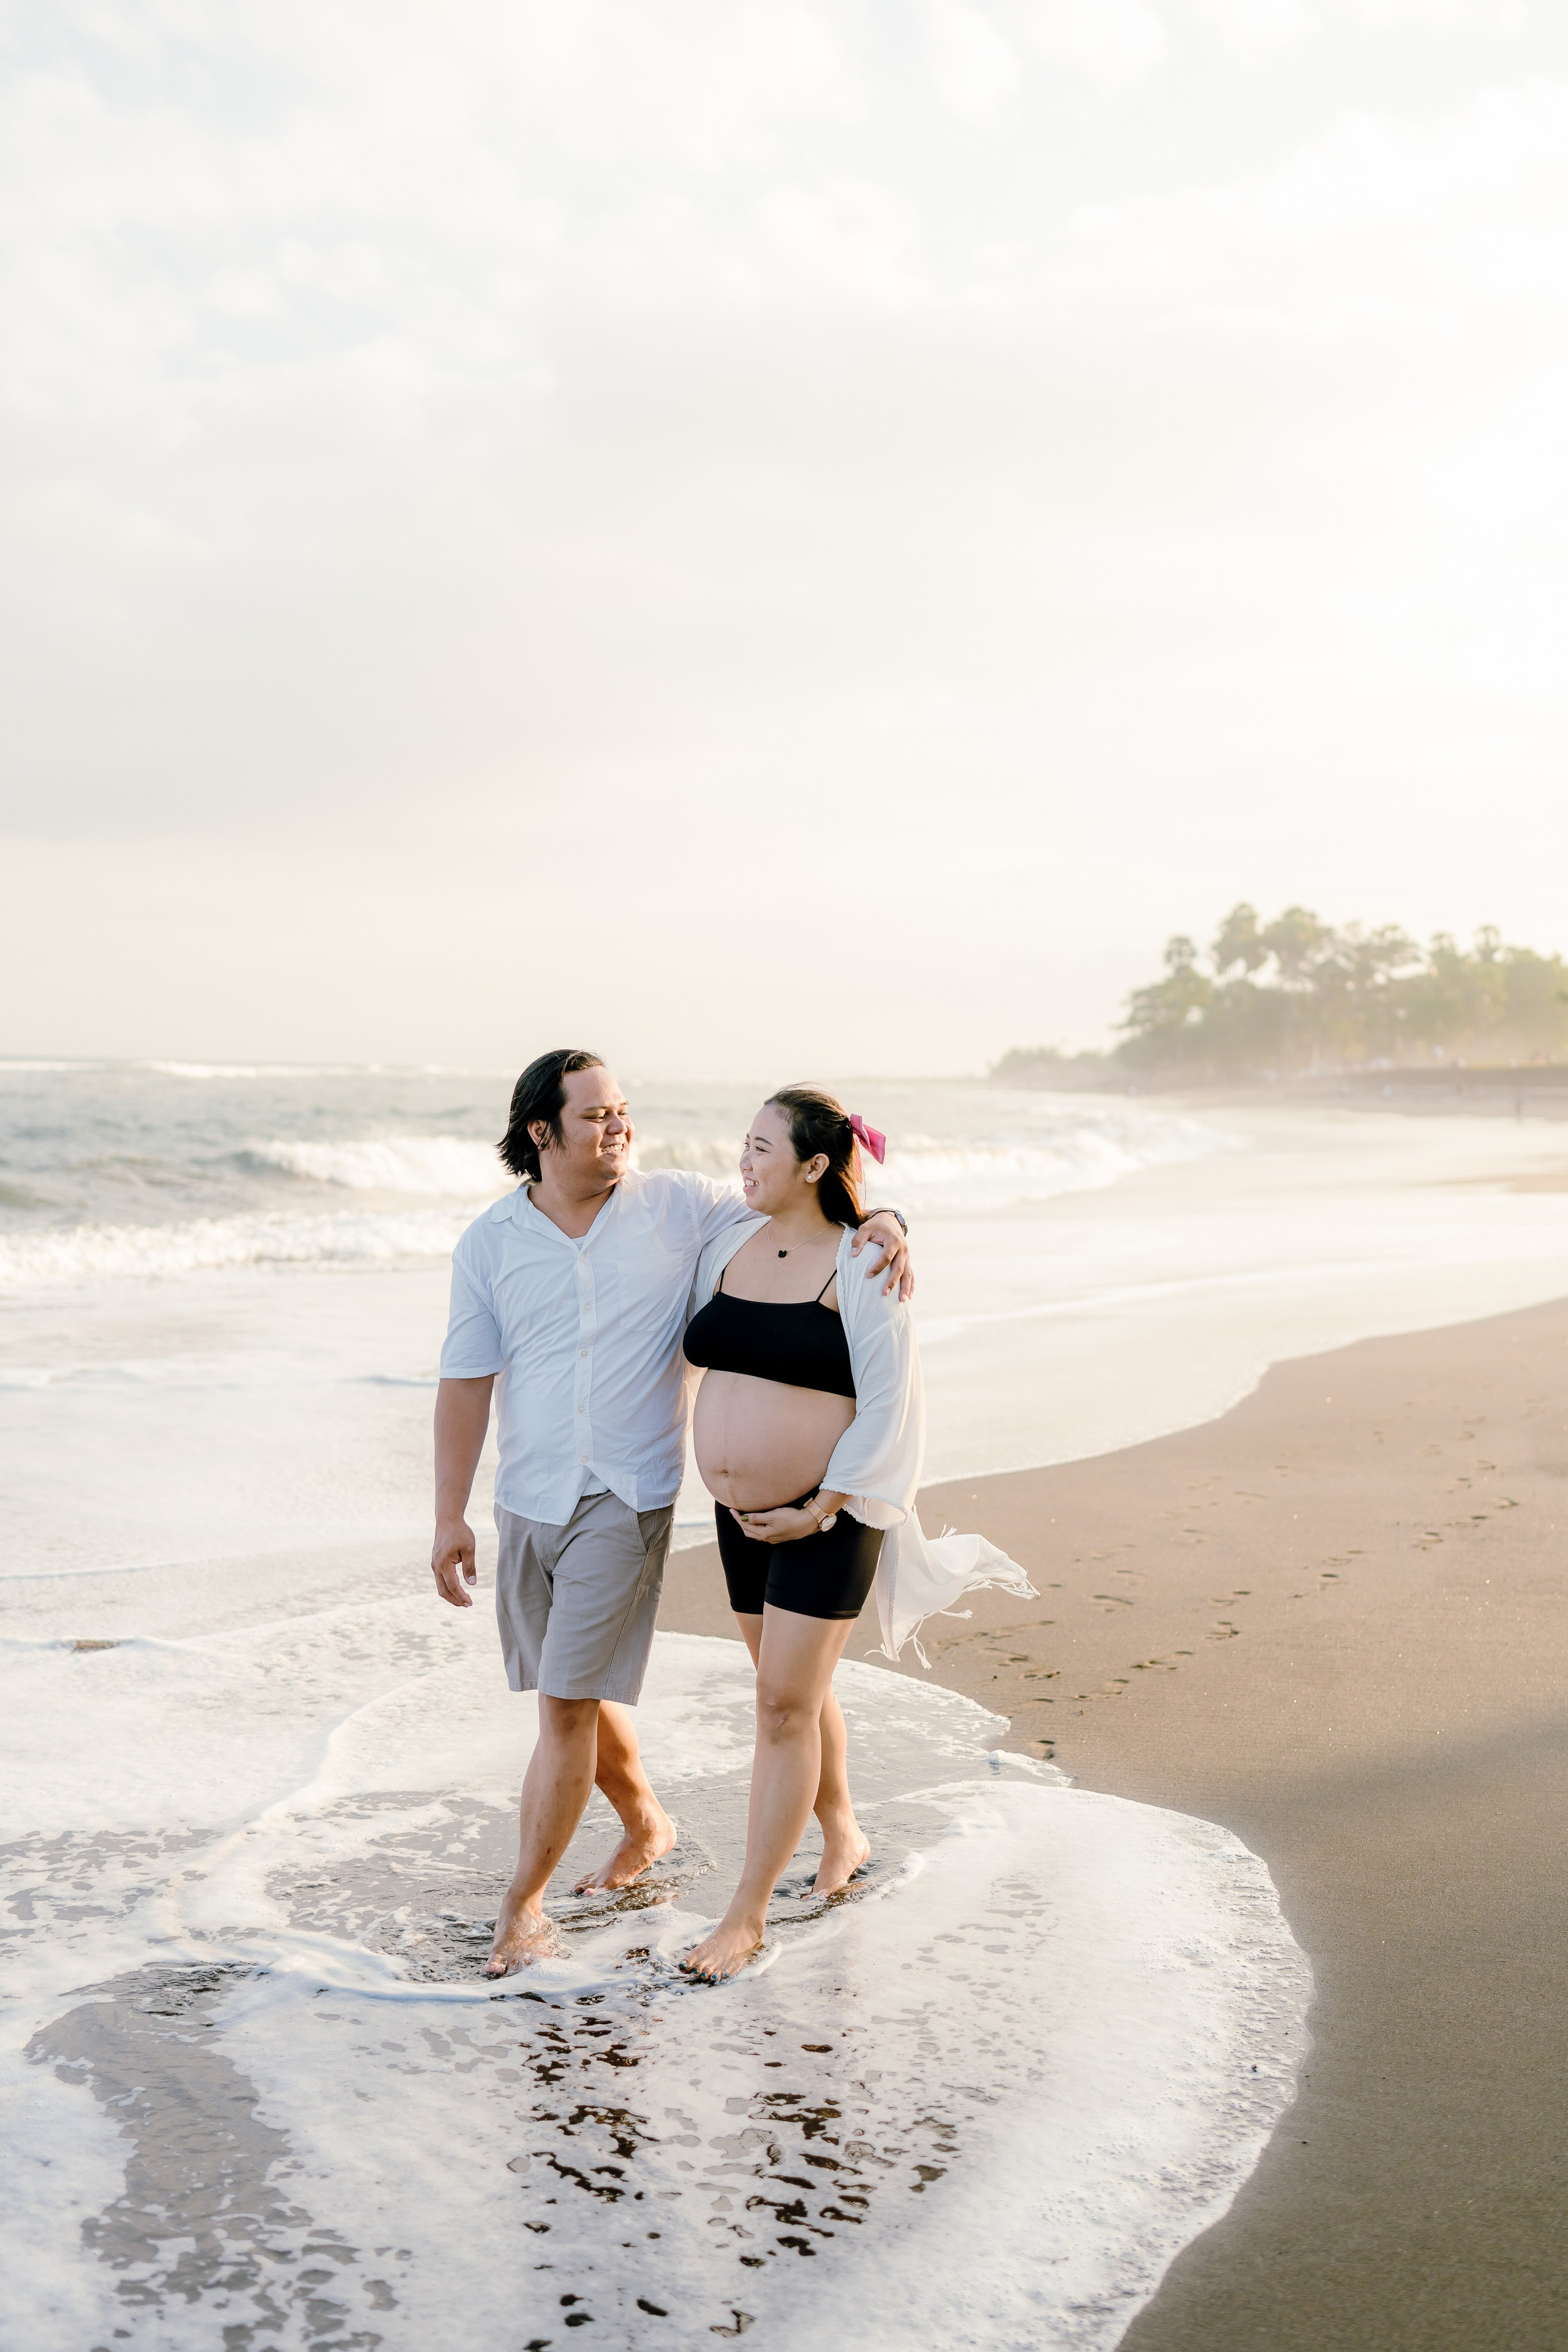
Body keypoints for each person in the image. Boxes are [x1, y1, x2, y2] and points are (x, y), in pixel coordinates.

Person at [429, 1050, 913, 1977]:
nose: (620, 1128)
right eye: (597, 1117)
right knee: (601, 1688)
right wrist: (449, 1513)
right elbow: (465, 1381)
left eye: (624, 1112)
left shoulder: (680, 1207)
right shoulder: (491, 1242)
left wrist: (890, 1215)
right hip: (537, 1497)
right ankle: (670, 1823)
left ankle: (531, 1908)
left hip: (638, 1491)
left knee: (599, 1700)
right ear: (541, 1133)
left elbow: (819, 1200)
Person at [679, 1085, 1035, 1983]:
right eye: (743, 1143)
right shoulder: (727, 1236)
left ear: (812, 1166)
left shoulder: (864, 1263)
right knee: (789, 1691)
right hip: (742, 1517)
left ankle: (747, 1917)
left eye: (763, 1147)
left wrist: (824, 1504)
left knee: (782, 1707)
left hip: (827, 1516)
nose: (744, 1160)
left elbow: (890, 1406)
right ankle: (843, 1832)